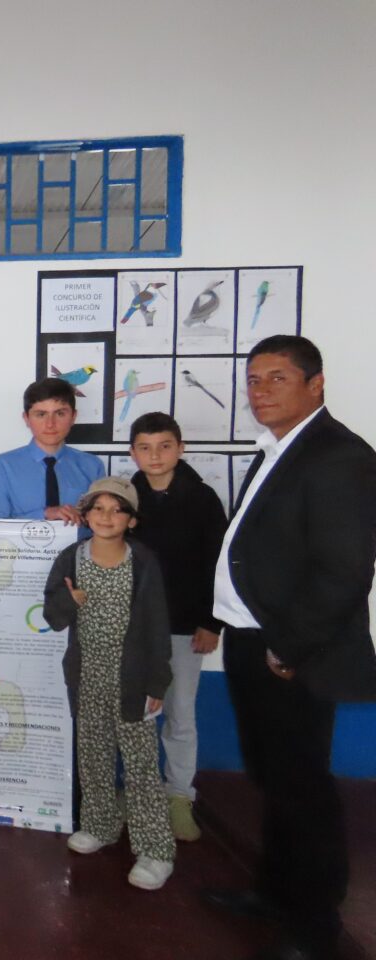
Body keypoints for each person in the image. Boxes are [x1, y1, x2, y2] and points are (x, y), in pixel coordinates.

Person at [204, 336, 376, 960]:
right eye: (253, 379)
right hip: (256, 644)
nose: (260, 390)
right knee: (274, 780)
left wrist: (287, 648)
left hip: (293, 653)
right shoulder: (279, 449)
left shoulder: (338, 456)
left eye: (277, 378)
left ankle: (313, 923)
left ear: (316, 383)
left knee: (303, 789)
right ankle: (276, 894)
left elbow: (344, 570)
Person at [43, 476, 175, 890]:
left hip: (132, 678)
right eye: (98, 508)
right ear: (85, 516)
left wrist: (158, 679)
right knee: (94, 755)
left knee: (139, 764)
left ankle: (155, 848)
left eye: (117, 509)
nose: (107, 516)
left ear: (131, 520)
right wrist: (71, 600)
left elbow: (157, 623)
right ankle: (100, 824)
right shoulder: (70, 559)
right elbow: (52, 615)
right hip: (86, 676)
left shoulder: (144, 562)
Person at [127, 412, 227, 842]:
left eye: (164, 446)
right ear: (133, 452)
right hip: (135, 629)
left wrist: (212, 623)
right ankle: (142, 794)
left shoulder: (203, 500)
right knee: (136, 716)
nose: (155, 455)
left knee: (180, 715)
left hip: (187, 627)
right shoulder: (125, 499)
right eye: (145, 447)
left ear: (181, 448)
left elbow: (218, 566)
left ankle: (179, 795)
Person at [0, 377, 104, 523]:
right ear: (26, 419)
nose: (50, 424)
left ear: (73, 416)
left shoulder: (92, 466)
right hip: (20, 546)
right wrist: (45, 514)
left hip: (79, 545)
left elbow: (100, 523)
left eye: (60, 413)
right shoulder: (4, 465)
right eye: (41, 415)